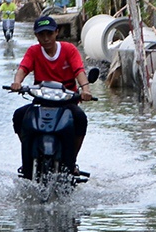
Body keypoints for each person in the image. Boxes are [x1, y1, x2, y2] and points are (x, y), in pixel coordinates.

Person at [7, 14, 94, 176]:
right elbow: (23, 69)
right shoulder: (33, 51)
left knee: (80, 118)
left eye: (49, 33)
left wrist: (85, 89)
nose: (46, 38)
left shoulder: (69, 49)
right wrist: (17, 82)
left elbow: (79, 71)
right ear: (36, 36)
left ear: (56, 32)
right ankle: (28, 153)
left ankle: (72, 160)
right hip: (41, 101)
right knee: (19, 116)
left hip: (67, 101)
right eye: (42, 34)